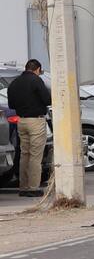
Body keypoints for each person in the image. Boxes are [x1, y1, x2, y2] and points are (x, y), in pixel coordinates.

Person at [7, 59, 51, 196]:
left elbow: (11, 105)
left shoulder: (14, 83)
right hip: (36, 121)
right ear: (37, 69)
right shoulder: (36, 81)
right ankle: (33, 188)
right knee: (35, 155)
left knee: (24, 154)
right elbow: (47, 100)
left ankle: (23, 187)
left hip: (21, 121)